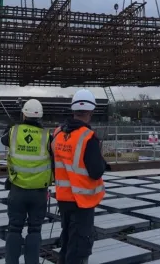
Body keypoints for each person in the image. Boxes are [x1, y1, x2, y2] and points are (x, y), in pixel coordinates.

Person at [52, 89, 108, 264]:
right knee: (79, 248)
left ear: (73, 110)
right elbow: (96, 171)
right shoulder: (88, 137)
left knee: (68, 242)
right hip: (82, 201)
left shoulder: (58, 133)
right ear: (91, 111)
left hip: (64, 198)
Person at [1, 99, 53, 264]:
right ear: (40, 117)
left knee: (14, 230)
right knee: (35, 230)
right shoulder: (47, 136)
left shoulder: (13, 132)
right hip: (39, 193)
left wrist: (10, 128)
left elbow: (4, 140)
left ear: (23, 114)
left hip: (17, 190)